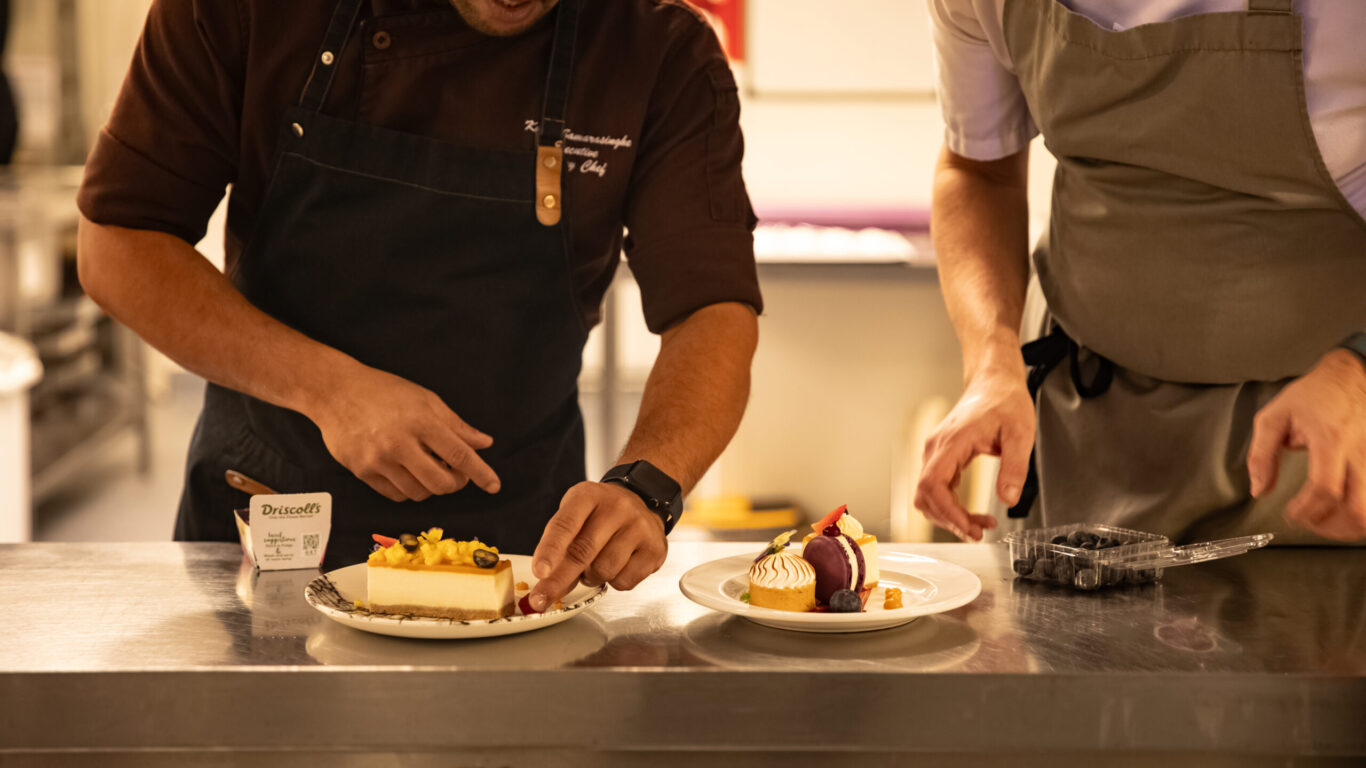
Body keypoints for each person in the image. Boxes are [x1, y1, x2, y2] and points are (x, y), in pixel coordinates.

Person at [76, 0, 762, 611]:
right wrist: (329, 390)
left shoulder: (657, 48)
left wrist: (646, 485)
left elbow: (711, 309)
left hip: (525, 554)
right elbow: (117, 244)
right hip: (275, 521)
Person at [916, 0, 1366, 544]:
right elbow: (978, 173)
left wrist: (1355, 375)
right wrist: (991, 361)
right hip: (1083, 430)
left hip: (1324, 440)